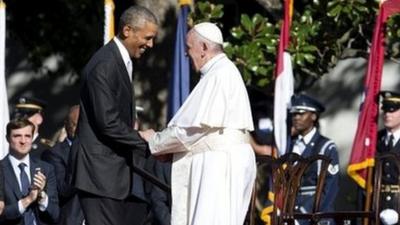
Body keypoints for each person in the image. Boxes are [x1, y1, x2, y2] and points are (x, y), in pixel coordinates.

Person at [140, 22, 256, 225]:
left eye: (188, 47)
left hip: (219, 165)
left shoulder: (219, 74)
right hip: (224, 161)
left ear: (203, 48)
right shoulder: (221, 72)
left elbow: (189, 130)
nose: (186, 54)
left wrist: (155, 140)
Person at [69, 5, 158, 225]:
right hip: (98, 174)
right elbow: (107, 122)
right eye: (147, 37)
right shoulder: (106, 64)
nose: (150, 44)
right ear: (127, 30)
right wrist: (145, 140)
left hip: (110, 176)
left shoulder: (120, 60)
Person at [289, 94, 339, 225]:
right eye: (294, 114)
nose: (296, 118)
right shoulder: (290, 144)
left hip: (316, 216)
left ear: (313, 116)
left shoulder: (325, 146)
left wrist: (305, 212)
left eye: (301, 113)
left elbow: (330, 187)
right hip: (291, 214)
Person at [0, 119, 59, 224]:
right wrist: (28, 200)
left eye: (27, 136)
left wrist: (41, 196)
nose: (23, 141)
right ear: (7, 138)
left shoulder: (46, 168)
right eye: (17, 136)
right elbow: (2, 214)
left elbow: (55, 214)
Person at [42, 105, 84, 225]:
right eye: (76, 125)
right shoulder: (54, 154)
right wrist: (85, 164)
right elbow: (63, 189)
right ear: (66, 125)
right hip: (72, 219)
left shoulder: (97, 151)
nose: (81, 129)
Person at [376, 91, 400, 225]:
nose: (387, 114)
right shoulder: (375, 139)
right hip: (379, 202)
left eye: (392, 110)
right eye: (385, 110)